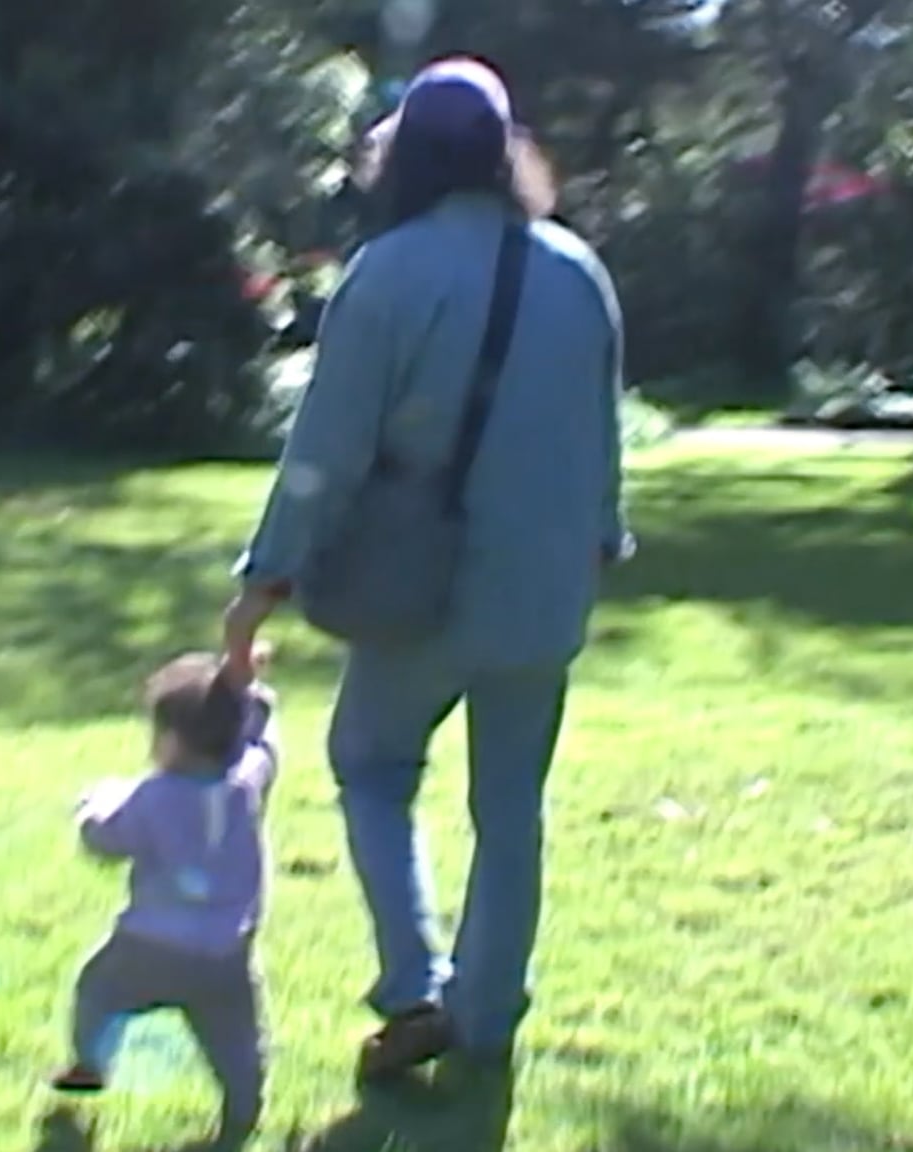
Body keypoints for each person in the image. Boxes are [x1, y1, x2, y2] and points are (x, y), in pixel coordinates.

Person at [220, 57, 633, 1082]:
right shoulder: (578, 272)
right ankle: (485, 1022)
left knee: (370, 765)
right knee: (511, 809)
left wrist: (264, 580)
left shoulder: (389, 273)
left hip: (427, 587)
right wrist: (596, 545)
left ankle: (414, 984)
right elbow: (602, 442)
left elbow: (325, 450)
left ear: (401, 156)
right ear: (503, 154)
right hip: (542, 591)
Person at [50, 650, 281, 1147]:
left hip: (148, 947)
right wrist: (255, 697)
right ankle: (244, 1100)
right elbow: (263, 744)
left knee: (97, 989)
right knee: (235, 1035)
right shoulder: (247, 784)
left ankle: (90, 1063)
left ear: (172, 741)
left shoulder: (154, 796)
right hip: (227, 952)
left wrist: (89, 806)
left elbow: (105, 838)